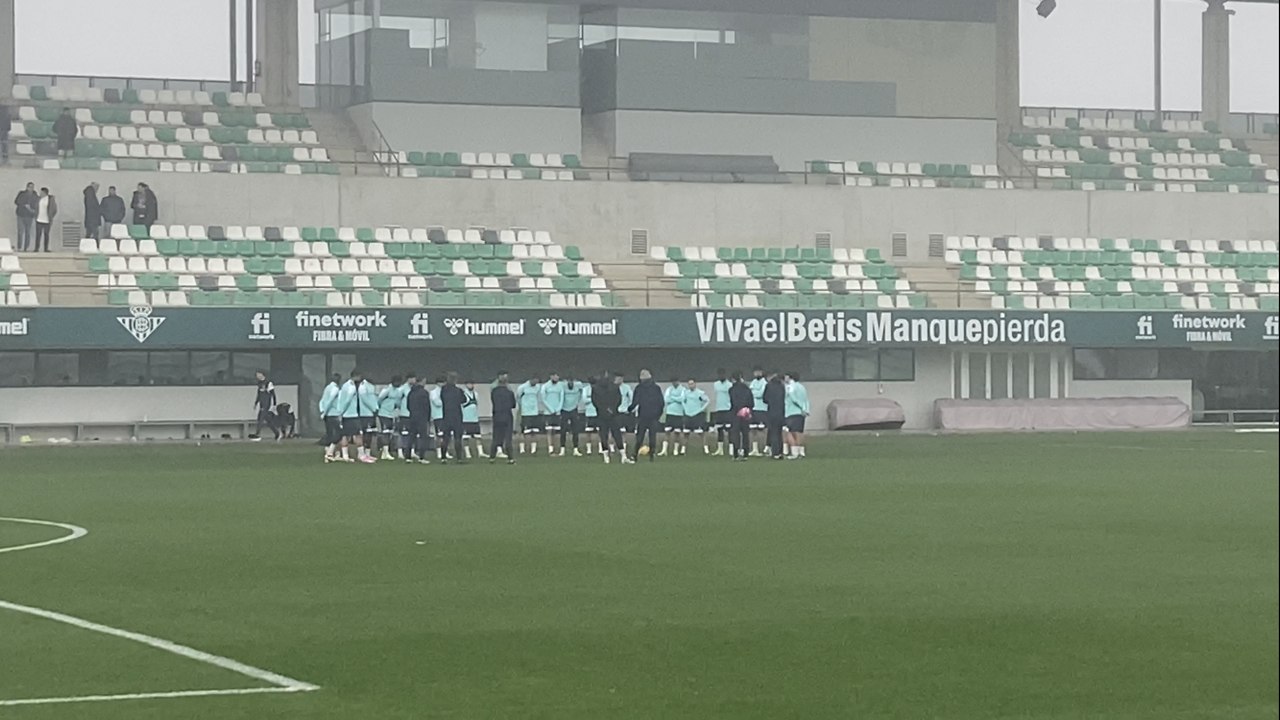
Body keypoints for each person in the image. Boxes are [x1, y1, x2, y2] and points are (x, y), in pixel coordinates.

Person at [337, 370, 375, 463]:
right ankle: (361, 455)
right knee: (358, 435)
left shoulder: (345, 386)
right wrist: (342, 411)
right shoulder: (351, 387)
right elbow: (347, 400)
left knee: (345, 435)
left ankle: (345, 455)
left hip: (347, 414)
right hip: (351, 414)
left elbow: (341, 399)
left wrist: (341, 412)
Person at [628, 370, 663, 464]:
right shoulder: (656, 388)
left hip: (642, 415)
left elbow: (635, 402)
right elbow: (661, 403)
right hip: (654, 415)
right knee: (652, 436)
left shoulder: (639, 388)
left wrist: (629, 409)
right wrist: (658, 414)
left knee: (639, 436)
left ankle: (635, 455)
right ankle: (652, 455)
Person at [592, 373, 622, 464]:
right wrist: (612, 409)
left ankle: (606, 457)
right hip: (612, 414)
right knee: (616, 434)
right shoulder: (614, 387)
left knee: (604, 435)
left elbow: (595, 402)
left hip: (603, 415)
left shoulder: (595, 389)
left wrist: (605, 409)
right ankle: (622, 455)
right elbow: (618, 400)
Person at [489, 372, 517, 464]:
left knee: (496, 437)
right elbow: (513, 405)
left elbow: (493, 401)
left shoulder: (494, 392)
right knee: (508, 438)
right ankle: (510, 458)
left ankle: (492, 457)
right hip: (507, 415)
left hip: (497, 415)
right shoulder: (509, 392)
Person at [439, 372, 466, 463]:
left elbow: (442, 399)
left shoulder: (443, 390)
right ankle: (459, 458)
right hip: (457, 416)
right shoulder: (459, 391)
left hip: (446, 416)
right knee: (457, 438)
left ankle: (443, 457)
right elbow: (464, 400)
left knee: (445, 438)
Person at [404, 376, 432, 464]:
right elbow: (427, 407)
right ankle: (421, 457)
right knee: (423, 437)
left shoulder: (411, 392)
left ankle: (408, 457)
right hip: (422, 418)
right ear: (422, 382)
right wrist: (428, 417)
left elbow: (408, 406)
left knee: (411, 437)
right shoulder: (424, 393)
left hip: (412, 417)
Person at [375, 375, 404, 460]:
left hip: (392, 414)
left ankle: (385, 452)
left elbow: (398, 402)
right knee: (385, 432)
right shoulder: (387, 390)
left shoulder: (398, 391)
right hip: (384, 413)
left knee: (390, 433)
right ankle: (385, 452)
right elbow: (379, 400)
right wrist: (379, 409)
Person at [727, 371, 754, 461]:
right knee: (745, 433)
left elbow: (733, 402)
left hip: (735, 413)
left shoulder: (731, 389)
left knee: (735, 434)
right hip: (746, 413)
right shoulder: (747, 388)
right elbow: (751, 402)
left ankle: (736, 453)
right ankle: (746, 453)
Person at [784, 372, 810, 459]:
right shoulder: (802, 387)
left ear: (790, 378)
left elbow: (792, 397)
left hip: (791, 412)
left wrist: (800, 406)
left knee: (790, 432)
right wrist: (806, 409)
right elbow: (806, 399)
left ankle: (794, 453)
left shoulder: (790, 386)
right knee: (799, 432)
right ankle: (801, 452)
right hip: (801, 413)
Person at [318, 373, 343, 462]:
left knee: (329, 434)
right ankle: (329, 453)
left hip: (328, 415)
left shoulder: (327, 387)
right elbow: (329, 401)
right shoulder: (335, 389)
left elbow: (322, 401)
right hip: (334, 414)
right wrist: (325, 412)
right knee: (338, 434)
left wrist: (322, 410)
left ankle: (328, 455)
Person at [515, 374, 542, 456]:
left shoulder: (537, 388)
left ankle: (533, 450)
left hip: (534, 412)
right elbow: (518, 398)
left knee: (534, 432)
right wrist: (522, 407)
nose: (536, 382)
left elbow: (538, 398)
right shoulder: (522, 388)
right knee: (524, 432)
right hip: (525, 412)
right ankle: (522, 449)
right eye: (535, 380)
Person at [682, 378, 711, 455]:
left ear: (695, 384)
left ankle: (706, 449)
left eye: (692, 384)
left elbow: (707, 400)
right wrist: (685, 409)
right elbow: (683, 401)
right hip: (688, 415)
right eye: (689, 384)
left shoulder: (700, 393)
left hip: (697, 415)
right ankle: (683, 450)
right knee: (686, 433)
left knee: (701, 433)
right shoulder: (686, 393)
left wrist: (701, 409)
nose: (690, 385)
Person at [540, 372, 565, 457]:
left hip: (557, 412)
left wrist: (558, 408)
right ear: (551, 377)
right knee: (549, 431)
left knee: (556, 431)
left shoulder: (560, 386)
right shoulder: (545, 386)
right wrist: (550, 409)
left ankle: (556, 449)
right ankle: (550, 449)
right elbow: (543, 399)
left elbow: (562, 398)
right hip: (548, 412)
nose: (556, 377)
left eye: (557, 376)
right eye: (554, 376)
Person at [763, 370, 787, 460]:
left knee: (773, 433)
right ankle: (780, 452)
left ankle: (775, 452)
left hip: (771, 412)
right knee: (779, 433)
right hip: (781, 412)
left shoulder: (769, 386)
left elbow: (764, 399)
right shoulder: (781, 386)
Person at [660, 376, 685, 457]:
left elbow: (682, 399)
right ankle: (664, 450)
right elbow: (666, 399)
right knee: (667, 432)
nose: (674, 383)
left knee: (677, 432)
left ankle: (675, 450)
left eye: (676, 381)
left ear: (679, 381)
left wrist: (673, 398)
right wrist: (676, 399)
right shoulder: (669, 389)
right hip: (670, 413)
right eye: (673, 381)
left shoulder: (683, 389)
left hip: (678, 413)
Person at [461, 379, 487, 459]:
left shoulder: (476, 394)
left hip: (474, 419)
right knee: (466, 438)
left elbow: (477, 404)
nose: (471, 386)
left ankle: (480, 452)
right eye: (469, 384)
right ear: (466, 385)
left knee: (478, 436)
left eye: (472, 384)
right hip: (465, 419)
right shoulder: (463, 394)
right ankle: (467, 453)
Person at [396, 372, 418, 460]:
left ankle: (412, 451)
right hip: (404, 414)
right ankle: (400, 452)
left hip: (413, 414)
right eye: (412, 378)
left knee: (413, 434)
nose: (413, 380)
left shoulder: (416, 389)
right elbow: (397, 401)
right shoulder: (402, 389)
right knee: (403, 434)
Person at [560, 375, 583, 457]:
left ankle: (575, 449)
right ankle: (562, 449)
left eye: (571, 381)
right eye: (569, 381)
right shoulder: (562, 386)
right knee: (563, 430)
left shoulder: (578, 385)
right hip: (564, 409)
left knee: (575, 430)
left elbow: (581, 393)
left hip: (574, 409)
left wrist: (577, 402)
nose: (570, 383)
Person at [711, 369, 732, 456]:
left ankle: (731, 448)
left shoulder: (730, 385)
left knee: (729, 429)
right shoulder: (716, 384)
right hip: (719, 409)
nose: (721, 376)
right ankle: (720, 449)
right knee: (719, 429)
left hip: (727, 409)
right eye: (719, 375)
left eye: (722, 374)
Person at [748, 367, 768, 456]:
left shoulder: (765, 383)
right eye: (755, 372)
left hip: (762, 409)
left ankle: (766, 447)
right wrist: (755, 392)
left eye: (759, 372)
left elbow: (761, 394)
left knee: (763, 429)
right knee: (753, 429)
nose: (757, 374)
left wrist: (754, 392)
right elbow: (750, 392)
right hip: (754, 408)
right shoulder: (753, 382)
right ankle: (755, 449)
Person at [252, 370, 277, 440]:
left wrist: (274, 405)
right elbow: (259, 394)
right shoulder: (259, 384)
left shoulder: (268, 383)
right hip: (261, 404)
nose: (257, 376)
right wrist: (256, 403)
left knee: (260, 418)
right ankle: (277, 433)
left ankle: (257, 435)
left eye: (258, 375)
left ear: (262, 374)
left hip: (266, 404)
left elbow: (273, 394)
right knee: (268, 420)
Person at [14, 182, 37, 252]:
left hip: (29, 216)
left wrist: (32, 210)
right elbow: (16, 201)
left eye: (32, 187)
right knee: (20, 232)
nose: (31, 189)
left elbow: (37, 204)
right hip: (21, 215)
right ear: (27, 187)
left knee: (28, 232)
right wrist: (24, 205)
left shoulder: (35, 195)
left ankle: (26, 247)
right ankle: (19, 247)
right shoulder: (22, 193)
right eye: (30, 187)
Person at [34, 187, 57, 253]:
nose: (40, 193)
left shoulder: (50, 199)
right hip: (39, 219)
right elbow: (36, 207)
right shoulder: (38, 199)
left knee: (46, 234)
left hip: (47, 220)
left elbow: (54, 209)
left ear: (45, 193)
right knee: (38, 234)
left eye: (41, 192)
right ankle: (36, 248)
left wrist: (51, 216)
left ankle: (46, 248)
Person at [615, 372, 634, 450]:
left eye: (621, 378)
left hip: (623, 412)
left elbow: (631, 398)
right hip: (615, 412)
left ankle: (623, 446)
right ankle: (612, 446)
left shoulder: (626, 387)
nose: (619, 380)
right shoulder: (612, 387)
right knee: (614, 430)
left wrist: (629, 408)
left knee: (623, 431)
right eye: (618, 378)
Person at [580, 376, 597, 455]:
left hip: (597, 413)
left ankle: (601, 448)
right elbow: (584, 400)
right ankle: (589, 449)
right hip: (589, 413)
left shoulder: (598, 389)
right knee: (588, 432)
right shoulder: (585, 389)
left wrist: (591, 399)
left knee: (600, 432)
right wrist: (592, 399)